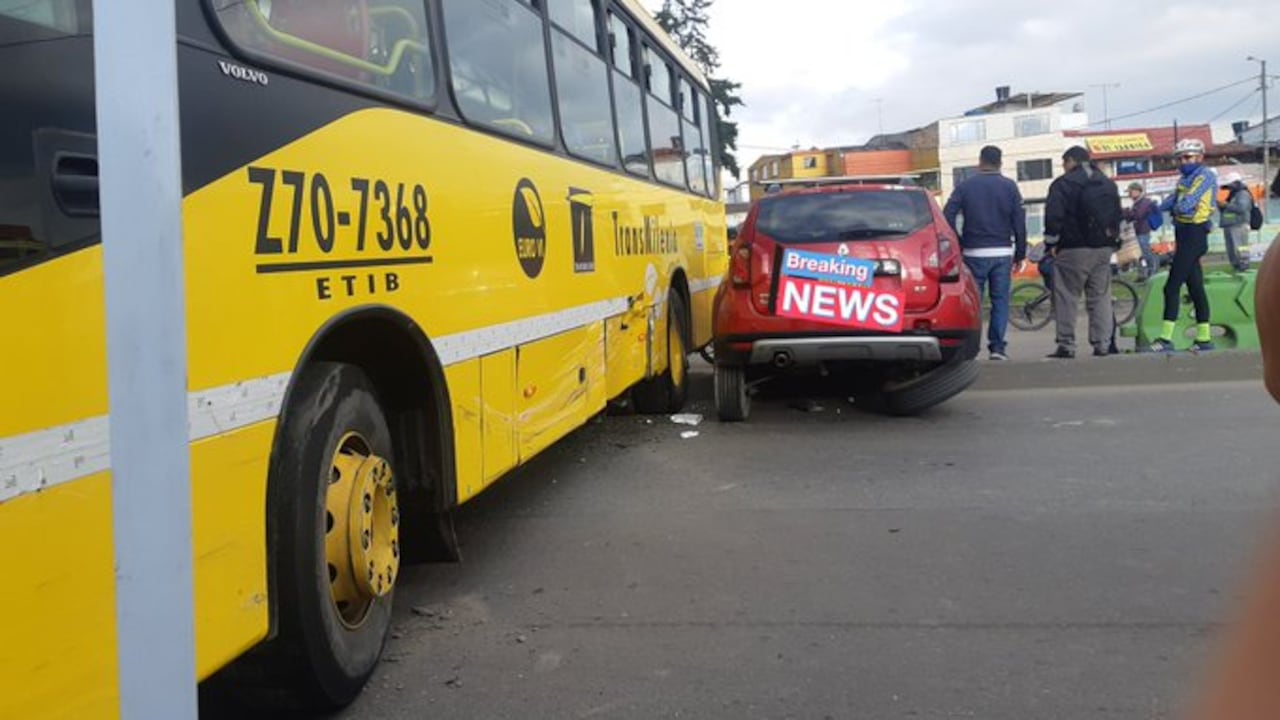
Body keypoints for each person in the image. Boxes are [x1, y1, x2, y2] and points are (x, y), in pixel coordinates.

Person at [943, 145, 1028, 361]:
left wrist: (959, 242)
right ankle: (997, 348)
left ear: (980, 162)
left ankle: (970, 348)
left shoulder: (965, 186)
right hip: (1002, 251)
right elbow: (1019, 222)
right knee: (1000, 300)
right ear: (1000, 162)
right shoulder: (1010, 187)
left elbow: (948, 214)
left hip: (973, 252)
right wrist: (1020, 253)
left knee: (974, 302)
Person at [1042, 146, 1121, 359]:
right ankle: (1102, 343)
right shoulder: (1107, 183)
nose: (1063, 167)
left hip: (1073, 249)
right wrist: (1113, 242)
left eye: (1063, 163)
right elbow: (1117, 214)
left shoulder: (1063, 184)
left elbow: (1053, 216)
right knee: (1100, 297)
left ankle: (1067, 345)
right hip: (1104, 249)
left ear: (1070, 161)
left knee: (1066, 297)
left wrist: (1051, 243)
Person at [1148, 138, 1217, 353]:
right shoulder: (1185, 178)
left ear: (1200, 157)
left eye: (1187, 157)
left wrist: (1175, 207)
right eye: (1179, 158)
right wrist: (1156, 208)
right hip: (1183, 233)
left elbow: (1187, 205)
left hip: (1195, 234)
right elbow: (1174, 200)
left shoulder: (1205, 176)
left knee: (1171, 286)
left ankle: (1166, 338)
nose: (1182, 162)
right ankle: (1204, 338)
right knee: (1196, 288)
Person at [1122, 181, 1160, 279]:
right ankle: (1143, 274)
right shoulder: (1137, 203)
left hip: (1143, 231)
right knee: (1140, 254)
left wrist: (1126, 212)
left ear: (1137, 191)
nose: (1129, 194)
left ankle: (1152, 271)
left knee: (1145, 252)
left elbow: (1138, 215)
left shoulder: (1144, 202)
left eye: (1130, 191)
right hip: (1138, 231)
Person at [1219, 171, 1254, 272]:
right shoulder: (1233, 195)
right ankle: (1237, 267)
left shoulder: (1242, 194)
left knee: (1240, 247)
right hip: (1230, 225)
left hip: (1239, 225)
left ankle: (1244, 266)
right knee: (1232, 250)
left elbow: (1242, 208)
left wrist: (1225, 205)